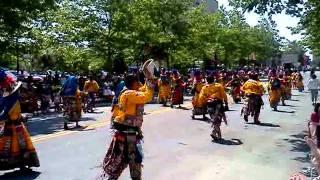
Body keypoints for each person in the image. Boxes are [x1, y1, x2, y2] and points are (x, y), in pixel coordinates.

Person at [101, 73, 154, 180]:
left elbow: (142, 89)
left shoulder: (128, 92)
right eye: (138, 82)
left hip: (126, 132)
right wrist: (150, 83)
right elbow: (147, 96)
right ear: (134, 83)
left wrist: (148, 79)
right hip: (128, 134)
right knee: (134, 159)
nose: (139, 84)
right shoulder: (130, 94)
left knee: (125, 159)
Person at [0, 70, 40, 170]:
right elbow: (14, 116)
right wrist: (22, 117)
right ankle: (23, 163)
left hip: (6, 127)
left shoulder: (3, 100)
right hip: (16, 127)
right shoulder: (13, 102)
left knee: (9, 147)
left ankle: (15, 163)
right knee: (21, 145)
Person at [199, 75, 228, 140]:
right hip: (218, 105)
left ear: (207, 80)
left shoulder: (204, 87)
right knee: (218, 119)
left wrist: (204, 102)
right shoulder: (218, 86)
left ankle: (217, 134)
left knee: (214, 119)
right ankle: (214, 133)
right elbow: (224, 95)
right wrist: (226, 103)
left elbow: (201, 97)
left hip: (209, 105)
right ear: (214, 79)